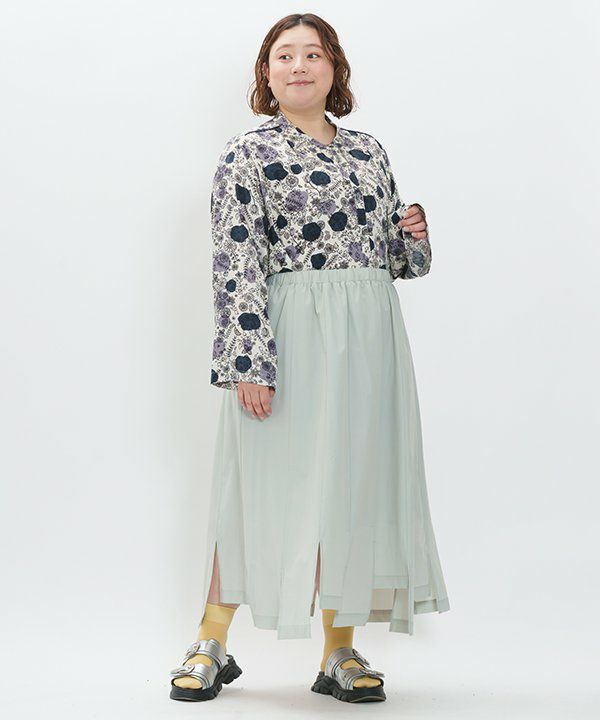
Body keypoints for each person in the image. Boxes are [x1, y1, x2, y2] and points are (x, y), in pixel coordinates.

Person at [169, 12, 450, 704]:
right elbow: (236, 261)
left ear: (335, 69)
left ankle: (338, 650)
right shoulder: (247, 154)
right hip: (291, 332)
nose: (299, 66)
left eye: (313, 54)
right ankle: (210, 639)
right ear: (266, 74)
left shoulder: (368, 151)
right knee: (257, 488)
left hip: (370, 334)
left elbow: (400, 263)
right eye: (285, 56)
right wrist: (249, 362)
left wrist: (414, 235)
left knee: (353, 486)